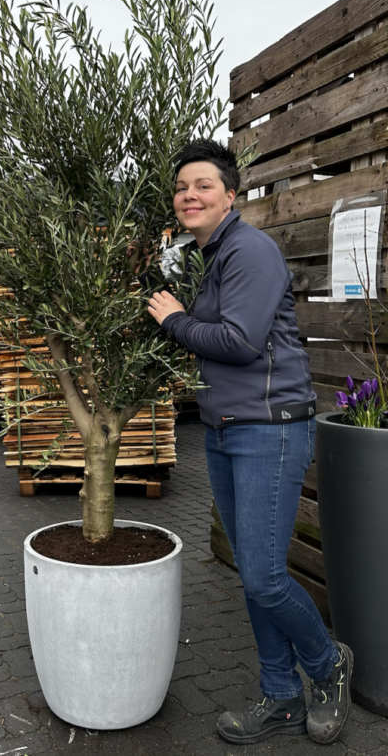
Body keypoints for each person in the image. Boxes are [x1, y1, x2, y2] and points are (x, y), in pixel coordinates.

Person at [146, 139, 353, 746]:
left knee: (264, 578)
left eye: (203, 185)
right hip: (225, 429)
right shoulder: (209, 254)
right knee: (251, 571)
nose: (190, 194)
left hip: (270, 429)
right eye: (182, 186)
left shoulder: (251, 250)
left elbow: (237, 340)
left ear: (231, 195)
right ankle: (282, 696)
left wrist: (172, 319)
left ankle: (326, 664)